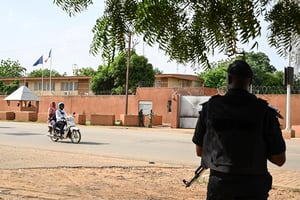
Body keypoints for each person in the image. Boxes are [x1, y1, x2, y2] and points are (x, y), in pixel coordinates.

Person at [192, 60, 286, 200]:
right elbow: (279, 159)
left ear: (229, 79)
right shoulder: (264, 112)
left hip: (220, 187)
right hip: (253, 189)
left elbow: (200, 151)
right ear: (250, 82)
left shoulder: (210, 108)